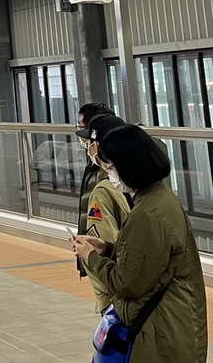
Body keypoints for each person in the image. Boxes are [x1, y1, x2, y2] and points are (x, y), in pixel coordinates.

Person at [72, 125, 208, 363]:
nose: (110, 174)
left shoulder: (147, 214)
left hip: (158, 330)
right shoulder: (160, 199)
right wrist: (108, 248)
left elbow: (128, 284)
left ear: (130, 166)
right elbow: (152, 257)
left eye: (112, 167)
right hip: (173, 322)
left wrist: (91, 257)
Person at [73, 113, 132, 313]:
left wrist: (105, 300)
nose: (87, 146)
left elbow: (110, 251)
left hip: (118, 297)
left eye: (91, 142)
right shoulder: (141, 186)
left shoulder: (105, 188)